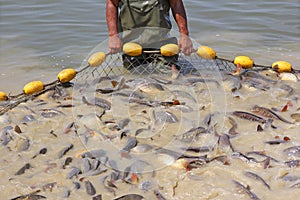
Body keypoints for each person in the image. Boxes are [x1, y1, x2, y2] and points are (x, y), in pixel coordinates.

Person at [106, 0, 194, 72]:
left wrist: (184, 35)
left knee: (169, 75)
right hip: (131, 44)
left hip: (162, 43)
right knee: (134, 78)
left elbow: (176, 3)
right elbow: (112, 3)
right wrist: (113, 36)